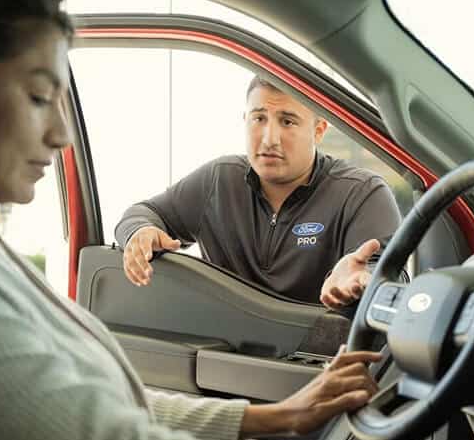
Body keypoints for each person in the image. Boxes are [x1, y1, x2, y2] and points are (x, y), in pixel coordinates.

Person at [0, 0, 382, 440]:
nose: (62, 132)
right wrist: (139, 233)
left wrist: (273, 416)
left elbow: (87, 402)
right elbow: (106, 439)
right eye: (37, 96)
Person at [116, 76, 402, 309]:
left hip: (317, 361)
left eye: (287, 121)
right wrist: (139, 232)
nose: (269, 138)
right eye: (259, 119)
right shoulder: (218, 181)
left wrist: (363, 282)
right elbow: (144, 213)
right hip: (227, 358)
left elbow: (388, 277)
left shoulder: (362, 193)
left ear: (319, 130)